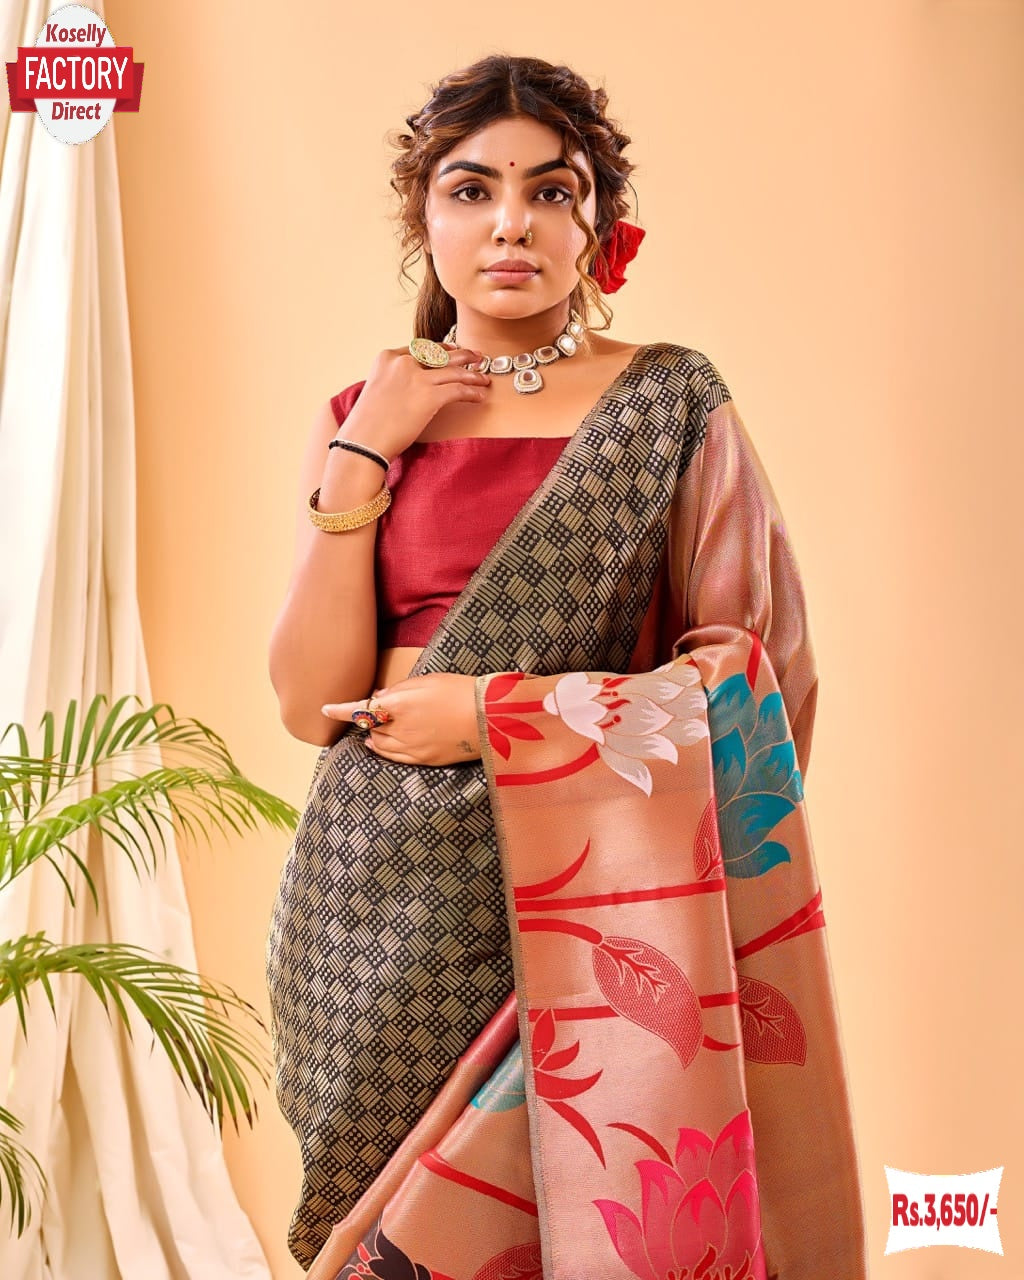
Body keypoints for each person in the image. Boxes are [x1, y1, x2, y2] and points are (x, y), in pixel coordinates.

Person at [266, 54, 868, 1280]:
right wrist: (365, 446)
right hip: (375, 892)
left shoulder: (667, 401)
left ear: (600, 224)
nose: (510, 224)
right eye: (471, 189)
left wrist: (498, 714)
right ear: (423, 217)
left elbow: (753, 680)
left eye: (551, 190)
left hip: (595, 884)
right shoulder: (364, 408)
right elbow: (302, 701)